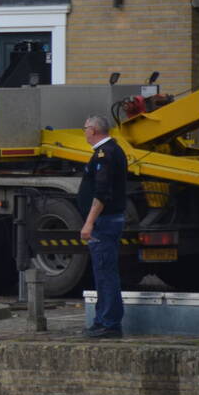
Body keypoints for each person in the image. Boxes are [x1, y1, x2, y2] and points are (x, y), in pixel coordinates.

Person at [78, 115, 128, 339]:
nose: (84, 132)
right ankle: (102, 320)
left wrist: (89, 222)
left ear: (94, 130)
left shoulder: (104, 154)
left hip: (104, 221)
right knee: (103, 272)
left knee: (105, 273)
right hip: (107, 220)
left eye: (85, 128)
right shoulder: (110, 150)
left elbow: (102, 193)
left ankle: (109, 323)